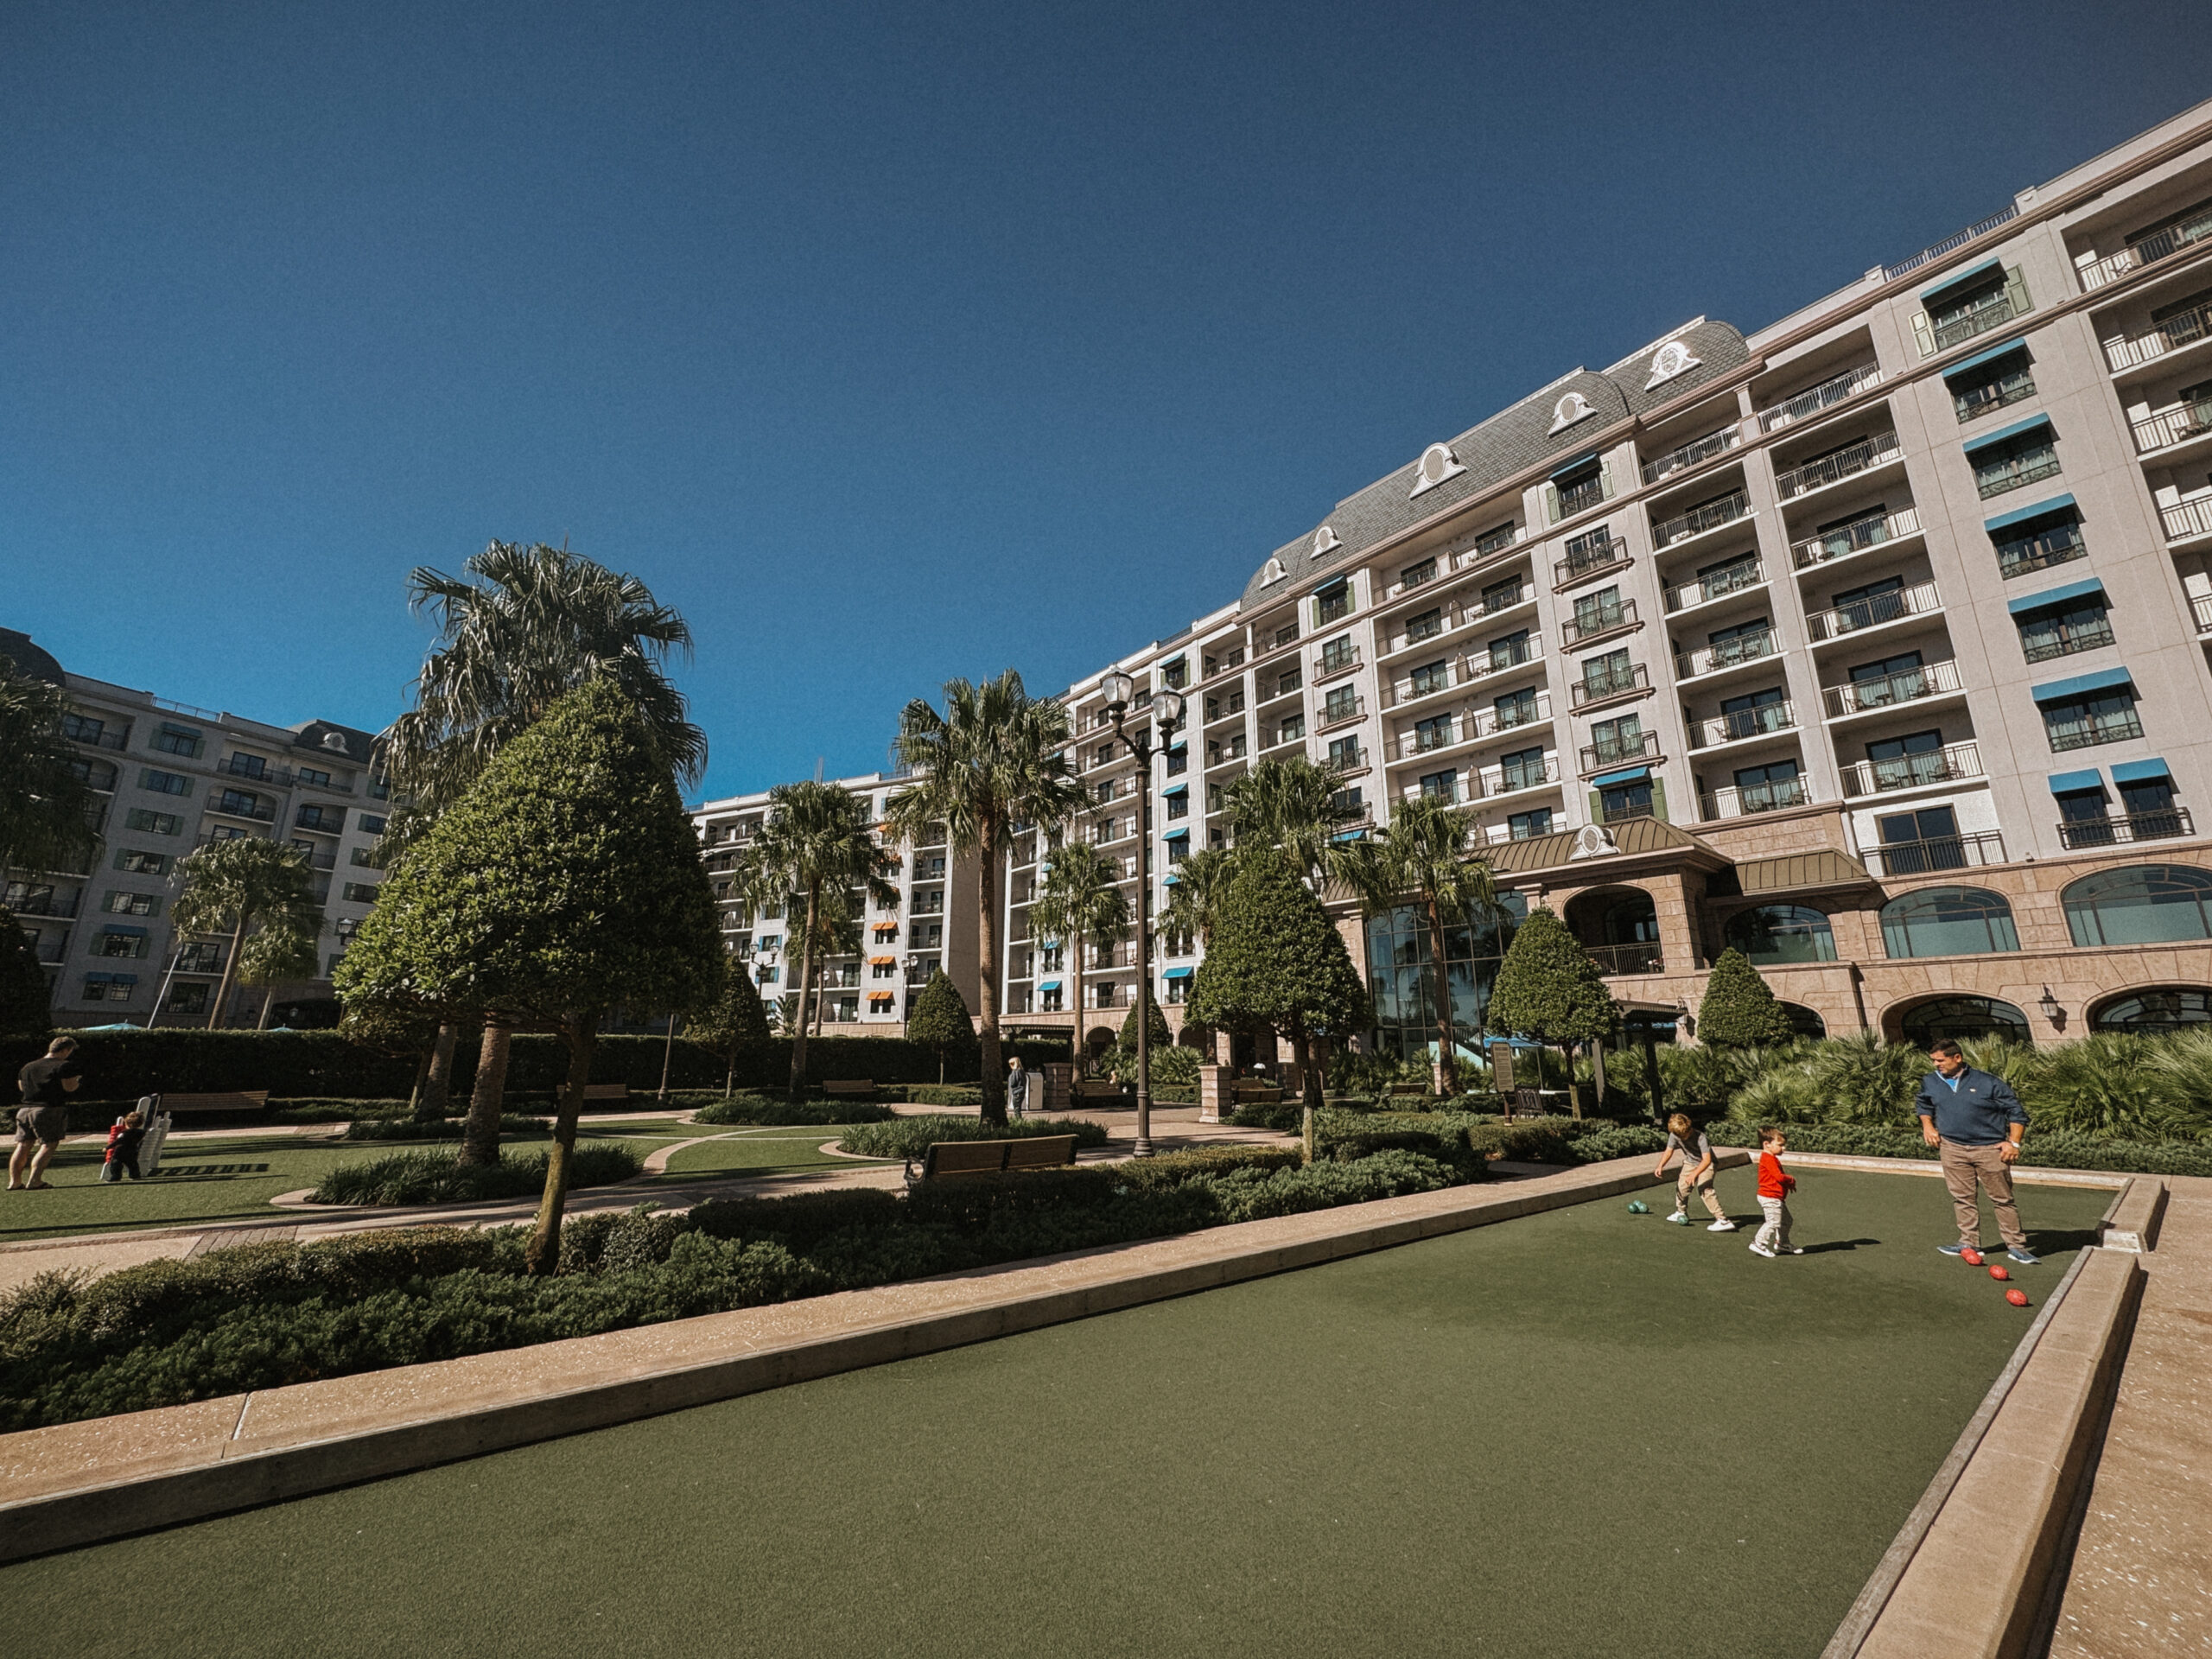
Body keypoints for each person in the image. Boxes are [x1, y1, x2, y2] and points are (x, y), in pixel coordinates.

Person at [1916, 1039, 2036, 1265]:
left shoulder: (1988, 1082)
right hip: (1952, 1148)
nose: (1936, 1065)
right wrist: (1928, 1126)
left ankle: (2017, 1246)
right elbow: (1924, 1104)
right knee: (1962, 1198)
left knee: (2003, 1199)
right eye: (1933, 1060)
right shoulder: (1931, 1081)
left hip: (1990, 1149)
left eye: (1940, 1060)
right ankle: (1968, 1243)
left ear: (1957, 1058)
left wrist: (2014, 1143)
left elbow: (2016, 1113)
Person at [11, 1035, 82, 1192]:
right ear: (65, 1050)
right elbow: (69, 1088)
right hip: (49, 1109)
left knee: (23, 1145)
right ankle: (35, 1180)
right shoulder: (64, 1066)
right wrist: (77, 1081)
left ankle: (14, 1182)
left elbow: (22, 1087)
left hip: (25, 1109)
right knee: (48, 1144)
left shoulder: (28, 1066)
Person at [1653, 1111, 1734, 1231]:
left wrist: (1694, 1174)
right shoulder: (1675, 1134)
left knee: (1704, 1188)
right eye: (1679, 1136)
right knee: (1681, 1187)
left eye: (1683, 1136)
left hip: (1708, 1164)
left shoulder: (1701, 1138)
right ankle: (1681, 1212)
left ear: (1689, 1130)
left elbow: (1707, 1160)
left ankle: (1722, 1220)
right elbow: (1669, 1151)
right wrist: (1660, 1166)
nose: (1681, 1138)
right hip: (1690, 1162)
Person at [1750, 1124, 1800, 1258]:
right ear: (1767, 1144)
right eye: (1780, 1145)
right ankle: (1758, 1243)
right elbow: (1779, 1177)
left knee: (1786, 1220)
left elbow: (1777, 1178)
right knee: (1773, 1222)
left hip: (1776, 1197)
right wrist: (1790, 1180)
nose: (1784, 1148)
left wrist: (1787, 1186)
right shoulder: (1768, 1158)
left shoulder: (1772, 1158)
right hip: (1770, 1197)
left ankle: (1782, 1242)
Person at [100, 1107, 149, 1183]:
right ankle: (135, 1175)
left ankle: (116, 1177)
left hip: (120, 1152)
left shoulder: (124, 1133)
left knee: (115, 1165)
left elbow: (118, 1141)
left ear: (127, 1123)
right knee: (133, 1164)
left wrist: (107, 1147)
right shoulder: (141, 1132)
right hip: (133, 1151)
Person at [1006, 1054, 1030, 1121]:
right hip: (1022, 1091)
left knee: (1016, 1109)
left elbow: (1013, 1083)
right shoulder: (1022, 1071)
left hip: (1017, 1092)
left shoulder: (1015, 1072)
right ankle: (1019, 1121)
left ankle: (1019, 1121)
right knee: (1018, 1108)